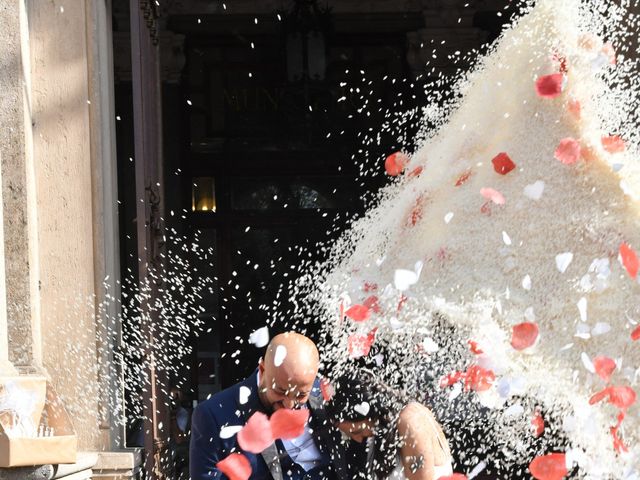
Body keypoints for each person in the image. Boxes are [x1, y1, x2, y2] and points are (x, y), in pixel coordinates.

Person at [189, 332, 364, 479]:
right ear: (263, 369)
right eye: (280, 391)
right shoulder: (212, 415)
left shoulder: (324, 393)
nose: (289, 404)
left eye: (301, 395)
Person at [325, 370, 453, 480]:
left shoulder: (410, 419)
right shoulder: (377, 432)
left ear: (373, 414)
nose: (357, 439)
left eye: (356, 431)